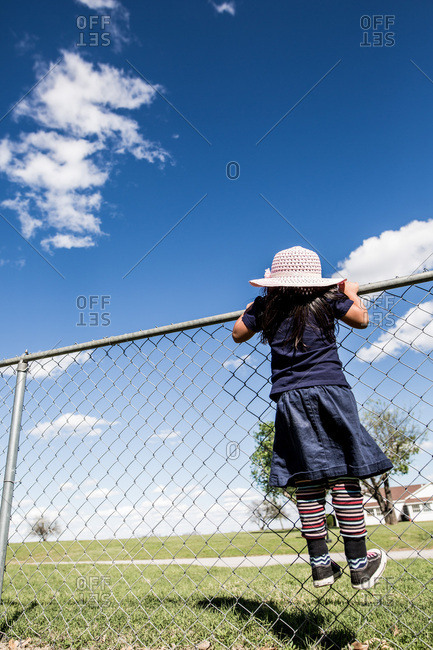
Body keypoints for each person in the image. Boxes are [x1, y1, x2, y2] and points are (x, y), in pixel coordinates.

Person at [232, 246, 393, 590]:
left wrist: (253, 308)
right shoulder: (329, 298)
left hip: (288, 397)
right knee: (345, 471)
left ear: (273, 281)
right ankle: (360, 565)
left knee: (306, 476)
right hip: (331, 390)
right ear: (314, 279)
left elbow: (237, 333)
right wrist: (350, 294)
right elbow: (361, 321)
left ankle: (321, 565)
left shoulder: (266, 307)